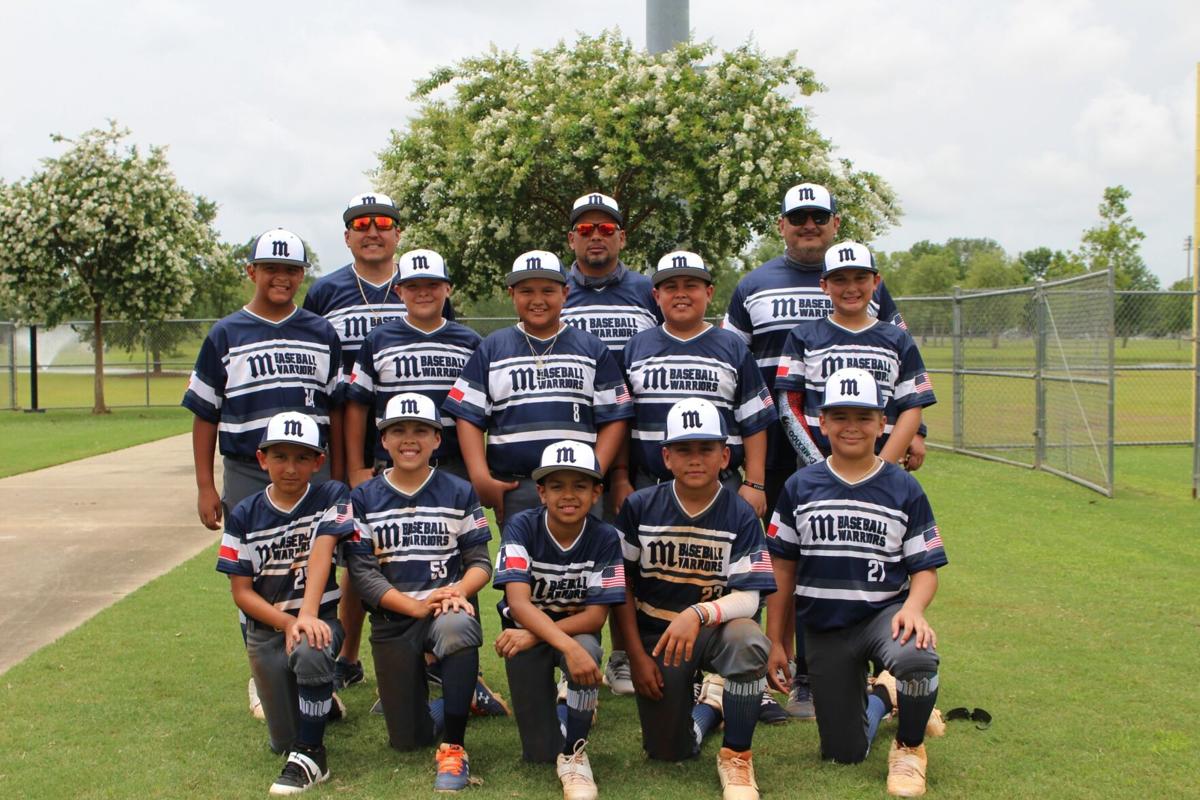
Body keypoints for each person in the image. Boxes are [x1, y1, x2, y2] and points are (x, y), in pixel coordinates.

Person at [723, 182, 914, 719]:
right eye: (798, 217)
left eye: (819, 217)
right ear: (782, 225)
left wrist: (907, 436)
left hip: (858, 448)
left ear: (834, 223)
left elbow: (899, 367)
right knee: (767, 558)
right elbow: (731, 360)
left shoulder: (868, 285)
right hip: (773, 444)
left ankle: (822, 671)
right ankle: (762, 666)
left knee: (836, 554)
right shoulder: (753, 284)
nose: (809, 226)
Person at [765, 368, 947, 797]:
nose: (852, 427)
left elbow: (925, 568)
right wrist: (776, 639)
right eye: (840, 416)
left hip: (883, 617)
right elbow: (782, 568)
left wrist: (913, 608)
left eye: (863, 417)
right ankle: (885, 695)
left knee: (918, 657)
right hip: (824, 627)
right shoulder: (799, 486)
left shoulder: (903, 488)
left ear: (882, 423)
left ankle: (909, 747)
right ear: (822, 422)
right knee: (843, 753)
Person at [184, 227, 342, 718]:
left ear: (302, 275)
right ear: (251, 271)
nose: (281, 278)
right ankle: (263, 675)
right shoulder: (226, 333)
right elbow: (205, 412)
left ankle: (314, 668)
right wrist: (205, 485)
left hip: (313, 470)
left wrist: (337, 472)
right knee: (255, 573)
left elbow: (336, 409)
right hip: (249, 469)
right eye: (271, 268)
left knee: (316, 569)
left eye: (291, 270)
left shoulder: (320, 332)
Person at [614, 398, 777, 800]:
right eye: (684, 449)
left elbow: (750, 597)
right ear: (666, 457)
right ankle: (714, 708)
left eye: (706, 448)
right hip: (659, 637)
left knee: (747, 639)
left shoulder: (740, 513)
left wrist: (698, 613)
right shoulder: (639, 507)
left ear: (725, 456)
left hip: (716, 630)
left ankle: (737, 754)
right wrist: (635, 656)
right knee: (669, 751)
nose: (695, 459)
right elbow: (621, 588)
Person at [344, 393, 493, 792]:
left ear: (437, 439)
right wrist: (416, 606)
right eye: (398, 431)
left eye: (420, 431)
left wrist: (457, 591)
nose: (409, 439)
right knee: (407, 739)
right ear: (384, 440)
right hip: (394, 618)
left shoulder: (459, 491)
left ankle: (455, 747)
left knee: (458, 625)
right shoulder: (363, 497)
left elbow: (481, 562)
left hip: (444, 609)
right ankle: (459, 698)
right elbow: (363, 574)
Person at [303, 192, 415, 692]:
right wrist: (348, 465)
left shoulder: (418, 283)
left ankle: (429, 652)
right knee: (354, 552)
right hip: (348, 443)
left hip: (413, 440)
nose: (373, 231)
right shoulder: (326, 291)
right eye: (362, 223)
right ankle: (346, 655)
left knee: (413, 547)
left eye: (383, 223)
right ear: (347, 236)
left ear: (397, 233)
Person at [215, 411, 354, 795]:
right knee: (281, 740)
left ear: (318, 462)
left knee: (312, 644)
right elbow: (241, 592)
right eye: (280, 457)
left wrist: (306, 616)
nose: (290, 468)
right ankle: (320, 702)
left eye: (301, 457)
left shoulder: (331, 495)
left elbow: (323, 548)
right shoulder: (244, 514)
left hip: (318, 618)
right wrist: (288, 623)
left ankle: (312, 755)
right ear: (262, 459)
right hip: (267, 632)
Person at [444, 250, 633, 527]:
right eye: (526, 291)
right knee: (519, 554)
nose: (537, 300)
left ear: (565, 293)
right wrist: (480, 476)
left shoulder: (590, 348)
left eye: (548, 290)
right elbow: (468, 415)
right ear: (512, 294)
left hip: (578, 482)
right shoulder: (493, 348)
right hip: (516, 485)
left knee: (583, 552)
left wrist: (594, 471)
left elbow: (615, 416)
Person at [559, 191, 660, 696]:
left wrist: (618, 472)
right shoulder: (557, 290)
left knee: (627, 558)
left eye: (605, 228)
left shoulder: (646, 291)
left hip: (637, 443)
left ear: (621, 236)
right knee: (569, 558)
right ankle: (572, 656)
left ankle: (623, 654)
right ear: (571, 238)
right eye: (585, 229)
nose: (595, 236)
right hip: (572, 444)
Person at [493, 440, 626, 800]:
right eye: (557, 486)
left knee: (586, 649)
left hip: (563, 632)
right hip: (525, 632)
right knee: (539, 752)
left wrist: (549, 640)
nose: (568, 495)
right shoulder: (521, 526)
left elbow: (595, 617)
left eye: (580, 486)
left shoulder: (604, 537)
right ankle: (570, 705)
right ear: (541, 492)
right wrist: (550, 640)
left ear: (596, 492)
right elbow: (518, 604)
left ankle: (575, 753)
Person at [775, 241, 935, 467]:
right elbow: (789, 408)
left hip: (881, 465)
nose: (851, 288)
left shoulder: (898, 339)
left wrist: (882, 468)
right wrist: (819, 467)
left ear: (876, 282)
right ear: (824, 285)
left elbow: (911, 406)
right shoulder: (803, 337)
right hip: (817, 467)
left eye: (860, 278)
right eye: (840, 280)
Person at [345, 248, 481, 485]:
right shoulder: (378, 340)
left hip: (452, 464)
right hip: (391, 462)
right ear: (399, 291)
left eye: (432, 285)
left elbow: (478, 412)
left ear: (448, 289)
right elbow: (358, 406)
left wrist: (478, 471)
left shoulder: (469, 342)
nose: (423, 293)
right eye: (413, 286)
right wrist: (355, 468)